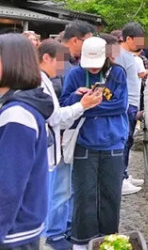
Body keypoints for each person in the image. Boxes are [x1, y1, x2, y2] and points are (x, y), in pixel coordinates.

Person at [60, 37, 129, 249]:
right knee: (83, 195)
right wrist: (77, 100)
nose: (92, 68)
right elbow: (63, 104)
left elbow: (120, 105)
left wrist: (86, 106)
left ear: (106, 57)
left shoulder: (117, 73)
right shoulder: (75, 74)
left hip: (113, 142)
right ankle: (81, 243)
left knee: (111, 194)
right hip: (84, 143)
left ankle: (109, 240)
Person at [39, 40, 104, 250]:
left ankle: (60, 230)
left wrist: (77, 100)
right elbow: (56, 117)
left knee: (63, 190)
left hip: (53, 145)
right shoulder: (40, 82)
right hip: (49, 146)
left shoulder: (45, 79)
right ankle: (54, 234)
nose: (62, 68)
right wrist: (81, 105)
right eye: (60, 62)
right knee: (58, 191)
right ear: (46, 58)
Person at [0, 35, 55, 250]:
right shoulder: (18, 103)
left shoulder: (17, 114)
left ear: (14, 62)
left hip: (12, 231)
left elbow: (8, 186)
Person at [113, 23, 146, 196]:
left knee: (129, 140)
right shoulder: (120, 56)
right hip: (127, 105)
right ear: (128, 39)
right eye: (138, 40)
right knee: (124, 141)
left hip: (132, 103)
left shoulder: (128, 55)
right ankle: (120, 180)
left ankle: (124, 174)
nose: (140, 44)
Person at [55, 21, 95, 98]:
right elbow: (58, 91)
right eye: (88, 43)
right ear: (75, 41)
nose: (90, 47)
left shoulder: (76, 60)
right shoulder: (58, 59)